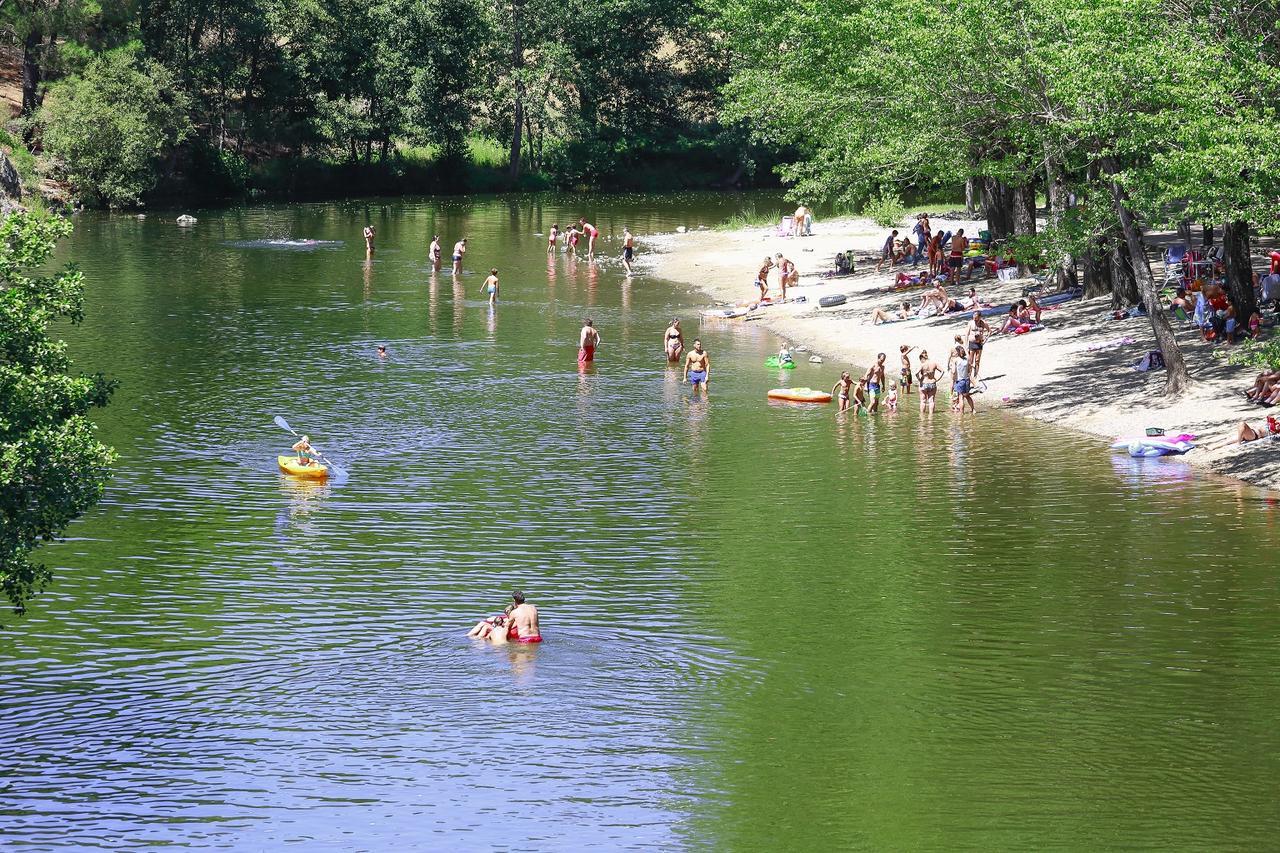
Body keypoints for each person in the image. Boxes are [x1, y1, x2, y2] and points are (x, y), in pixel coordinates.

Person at [951, 344, 975, 413]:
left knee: (961, 397)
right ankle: (973, 409)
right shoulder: (966, 359)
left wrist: (953, 380)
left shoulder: (955, 360)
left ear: (958, 352)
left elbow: (953, 372)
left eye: (956, 351)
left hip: (960, 381)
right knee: (967, 396)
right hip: (967, 380)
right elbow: (968, 371)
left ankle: (962, 413)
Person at [966, 310, 990, 378]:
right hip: (972, 343)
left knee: (977, 360)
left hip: (979, 343)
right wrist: (966, 344)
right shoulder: (970, 323)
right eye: (974, 318)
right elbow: (967, 334)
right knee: (970, 361)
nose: (975, 319)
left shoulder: (983, 323)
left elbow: (989, 331)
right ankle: (969, 376)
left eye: (976, 318)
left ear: (979, 317)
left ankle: (975, 376)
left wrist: (985, 340)